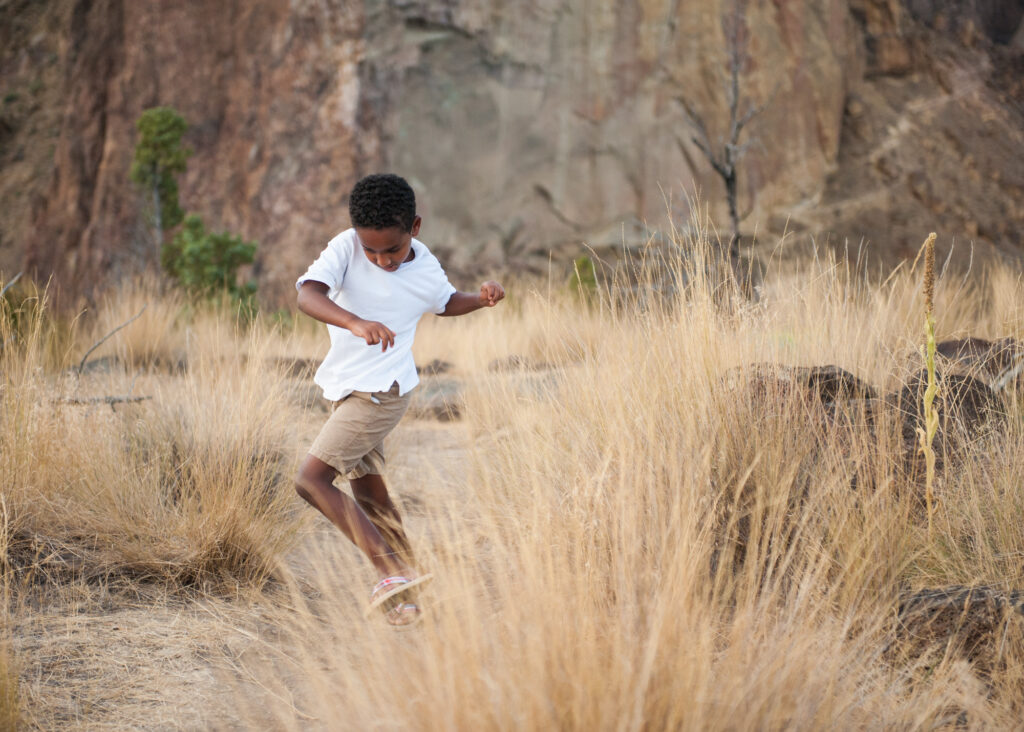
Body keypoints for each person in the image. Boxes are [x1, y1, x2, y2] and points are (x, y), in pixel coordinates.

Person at [294, 173, 504, 625]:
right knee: (369, 492)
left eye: (392, 248)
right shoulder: (345, 248)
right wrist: (353, 322)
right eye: (372, 250)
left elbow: (445, 302)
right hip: (346, 386)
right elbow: (307, 295)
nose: (382, 260)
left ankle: (390, 571)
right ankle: (411, 591)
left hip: (380, 394)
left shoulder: (424, 265)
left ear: (416, 226)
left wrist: (481, 298)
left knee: (310, 481)